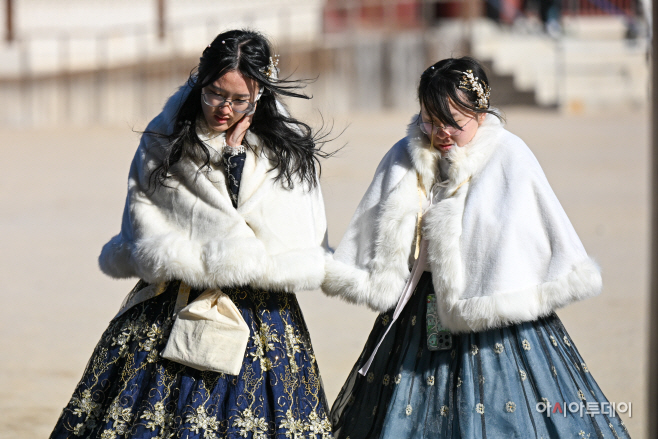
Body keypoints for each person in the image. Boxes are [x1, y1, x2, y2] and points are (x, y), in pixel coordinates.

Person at [322, 57, 630, 438]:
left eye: (453, 122)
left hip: (495, 314)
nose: (440, 132)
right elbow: (375, 223)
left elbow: (526, 236)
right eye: (429, 120)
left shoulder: (509, 156)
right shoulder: (405, 155)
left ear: (480, 114)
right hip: (420, 310)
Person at [50, 29, 333, 439]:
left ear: (260, 95)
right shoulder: (164, 137)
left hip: (259, 308)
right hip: (172, 297)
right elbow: (143, 213)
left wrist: (235, 160)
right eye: (216, 93)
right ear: (200, 80)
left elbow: (294, 229)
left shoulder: (282, 150)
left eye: (240, 99)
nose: (224, 108)